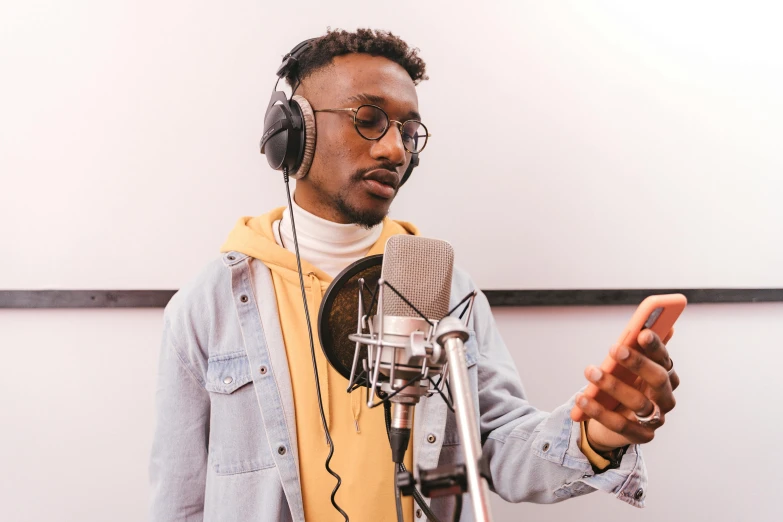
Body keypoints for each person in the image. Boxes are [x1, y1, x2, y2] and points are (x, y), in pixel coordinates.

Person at [149, 28, 680, 522]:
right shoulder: (210, 304)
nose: (394, 149)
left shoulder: (446, 289)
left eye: (407, 131)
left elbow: (494, 445)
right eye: (369, 119)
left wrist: (595, 432)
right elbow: (179, 499)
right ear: (293, 133)